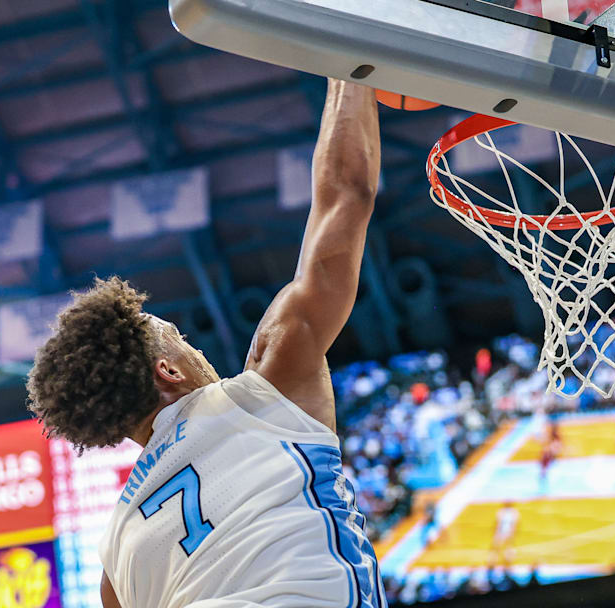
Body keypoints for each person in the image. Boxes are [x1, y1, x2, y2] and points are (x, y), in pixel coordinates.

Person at [26, 79, 384, 607]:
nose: (196, 349)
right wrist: (353, 64)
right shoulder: (264, 388)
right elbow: (346, 196)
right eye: (181, 339)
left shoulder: (114, 560)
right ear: (167, 372)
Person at [491, 501, 519, 567]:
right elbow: (498, 522)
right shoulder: (503, 512)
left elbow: (514, 524)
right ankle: (498, 559)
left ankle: (507, 559)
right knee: (499, 546)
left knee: (507, 546)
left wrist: (512, 532)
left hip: (505, 531)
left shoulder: (512, 512)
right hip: (502, 531)